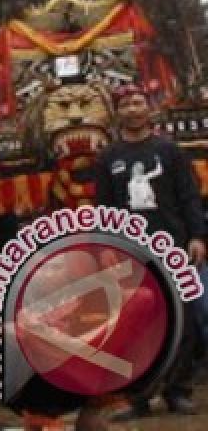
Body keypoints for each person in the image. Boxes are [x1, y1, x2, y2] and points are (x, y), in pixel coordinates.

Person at [94, 83, 206, 419]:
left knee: (182, 321)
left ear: (149, 108)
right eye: (126, 104)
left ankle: (177, 391)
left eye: (138, 102)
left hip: (173, 248)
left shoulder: (169, 151)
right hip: (131, 253)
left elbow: (189, 197)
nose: (132, 109)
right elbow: (104, 208)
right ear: (118, 112)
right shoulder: (108, 158)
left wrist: (198, 236)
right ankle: (138, 398)